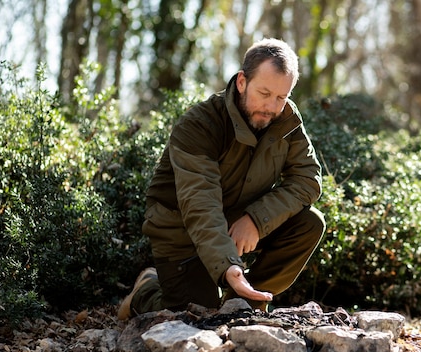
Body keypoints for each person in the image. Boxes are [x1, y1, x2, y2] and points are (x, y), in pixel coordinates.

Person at [118, 38, 325, 320]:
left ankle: (244, 303)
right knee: (196, 315)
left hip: (237, 218)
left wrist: (255, 219)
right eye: (264, 93)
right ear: (242, 82)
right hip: (183, 230)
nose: (271, 107)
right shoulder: (200, 124)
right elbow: (200, 205)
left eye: (281, 96)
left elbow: (308, 179)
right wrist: (228, 265)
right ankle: (146, 290)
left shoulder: (286, 119)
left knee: (309, 223)